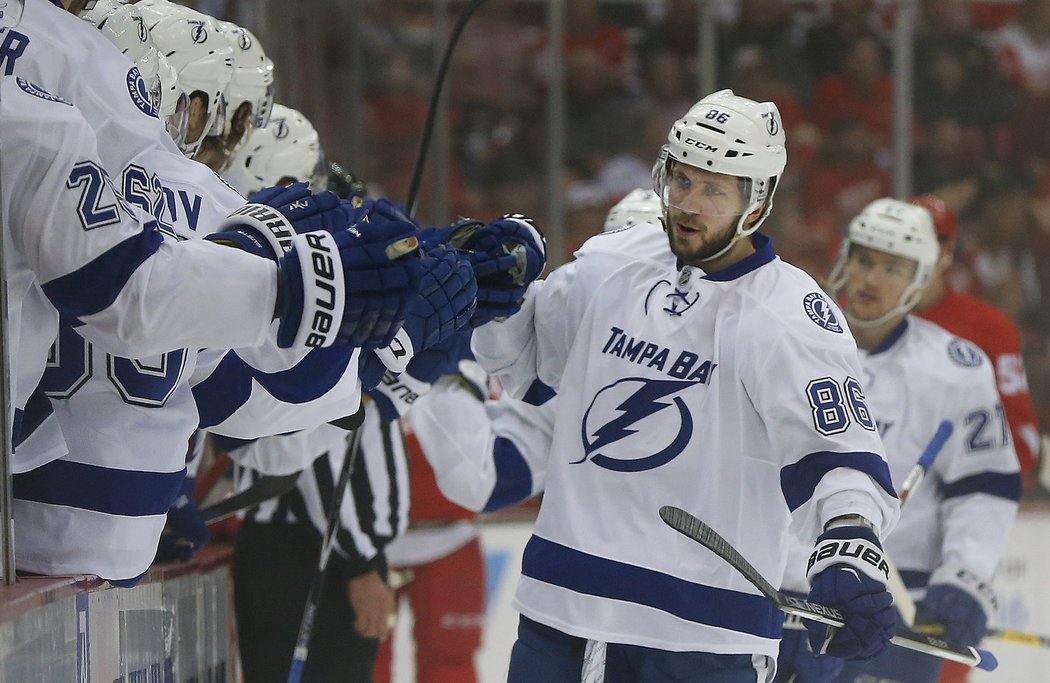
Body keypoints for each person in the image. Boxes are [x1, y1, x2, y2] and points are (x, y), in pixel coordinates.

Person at [469, 89, 899, 681]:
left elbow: (838, 455)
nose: (688, 204)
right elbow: (529, 366)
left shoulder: (791, 315)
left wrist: (850, 547)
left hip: (702, 635)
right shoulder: (611, 264)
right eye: (682, 180)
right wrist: (492, 296)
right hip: (563, 608)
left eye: (715, 189)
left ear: (757, 201)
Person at [776, 198, 1021, 683]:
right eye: (865, 260)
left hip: (897, 607)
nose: (871, 279)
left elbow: (983, 485)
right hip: (785, 592)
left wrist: (966, 575)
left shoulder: (957, 369)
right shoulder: (789, 343)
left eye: (893, 267)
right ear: (844, 258)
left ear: (922, 278)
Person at [909, 195, 1041, 490]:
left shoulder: (991, 328)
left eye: (931, 242)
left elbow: (1020, 432)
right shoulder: (852, 322)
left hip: (963, 491)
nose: (916, 253)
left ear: (948, 249)